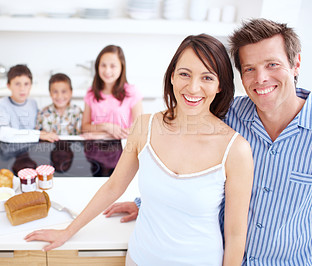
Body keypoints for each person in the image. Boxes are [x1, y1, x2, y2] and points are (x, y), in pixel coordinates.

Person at [24, 34, 254, 265]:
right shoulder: (145, 127)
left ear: (220, 85)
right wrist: (67, 231)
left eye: (207, 77)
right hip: (139, 258)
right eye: (185, 73)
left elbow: (235, 235)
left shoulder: (236, 150)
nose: (193, 87)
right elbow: (114, 186)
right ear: (172, 76)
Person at [105, 18, 312, 265]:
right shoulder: (226, 115)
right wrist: (148, 201)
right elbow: (184, 156)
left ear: (296, 63)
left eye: (273, 64)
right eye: (249, 69)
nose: (261, 78)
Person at [81, 45, 143, 139]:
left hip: (124, 148)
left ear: (121, 67)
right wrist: (106, 127)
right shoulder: (91, 93)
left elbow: (139, 129)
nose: (107, 71)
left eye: (113, 66)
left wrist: (105, 135)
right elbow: (85, 127)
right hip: (96, 148)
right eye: (103, 65)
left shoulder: (132, 92)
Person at [0, 64, 50, 143]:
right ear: (9, 86)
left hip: (30, 146)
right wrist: (37, 135)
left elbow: (38, 126)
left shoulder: (33, 103)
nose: (22, 89)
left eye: (26, 84)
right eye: (17, 84)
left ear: (31, 85)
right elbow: (4, 133)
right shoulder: (2, 104)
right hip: (11, 147)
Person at [36, 73, 82, 142]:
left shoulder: (77, 112)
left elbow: (81, 137)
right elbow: (38, 136)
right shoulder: (42, 113)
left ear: (71, 92)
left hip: (72, 150)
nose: (59, 96)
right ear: (50, 93)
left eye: (64, 91)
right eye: (55, 92)